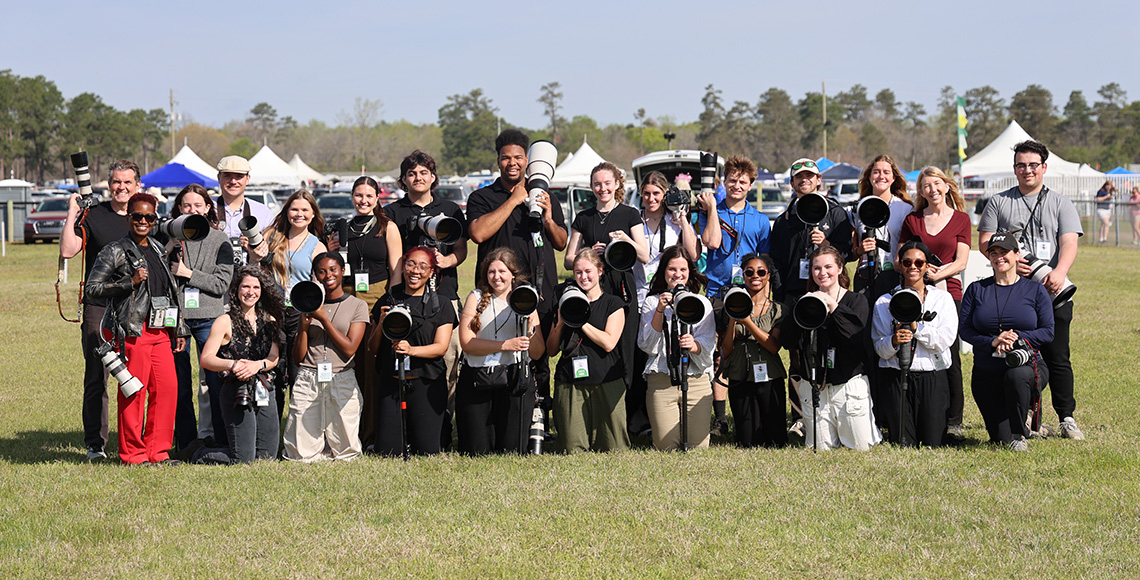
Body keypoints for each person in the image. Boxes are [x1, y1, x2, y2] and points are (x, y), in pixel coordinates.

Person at [978, 140, 1084, 440]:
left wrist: (1059, 272)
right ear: (1014, 169)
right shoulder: (998, 202)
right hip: (1017, 294)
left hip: (1053, 290)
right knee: (1021, 356)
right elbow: (985, 242)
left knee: (1058, 356)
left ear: (1044, 168)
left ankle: (1066, 418)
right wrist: (1012, 263)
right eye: (1021, 165)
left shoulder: (1061, 202)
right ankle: (1026, 418)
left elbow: (1069, 241)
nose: (1027, 170)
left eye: (1033, 165)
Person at [467, 129, 568, 427]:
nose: (513, 163)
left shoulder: (544, 193)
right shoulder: (483, 196)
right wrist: (514, 200)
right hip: (497, 293)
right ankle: (499, 419)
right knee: (499, 350)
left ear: (528, 160)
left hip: (540, 290)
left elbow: (561, 242)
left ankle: (538, 423)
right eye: (506, 158)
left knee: (539, 357)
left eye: (519, 158)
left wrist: (547, 216)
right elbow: (478, 233)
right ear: (498, 161)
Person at [84, 192, 189, 465]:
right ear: (129, 217)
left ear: (155, 220)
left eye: (149, 217)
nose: (143, 221)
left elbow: (170, 291)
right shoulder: (114, 250)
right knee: (134, 391)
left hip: (160, 332)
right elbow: (92, 288)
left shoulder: (156, 248)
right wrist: (127, 282)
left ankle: (158, 452)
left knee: (167, 389)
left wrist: (178, 328)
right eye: (137, 216)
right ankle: (133, 454)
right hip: (132, 331)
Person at [385, 151, 467, 444]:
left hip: (444, 297)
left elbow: (461, 250)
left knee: (447, 364)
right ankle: (411, 429)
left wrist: (447, 262)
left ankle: (443, 427)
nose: (417, 178)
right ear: (403, 179)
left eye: (423, 173)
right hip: (407, 299)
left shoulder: (450, 208)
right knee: (410, 363)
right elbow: (395, 260)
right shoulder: (393, 211)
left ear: (433, 176)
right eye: (411, 174)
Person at [769, 157, 854, 437]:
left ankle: (833, 408)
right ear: (792, 183)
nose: (804, 180)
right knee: (798, 355)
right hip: (796, 295)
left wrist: (826, 244)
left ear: (819, 180)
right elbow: (778, 262)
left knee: (832, 349)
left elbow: (848, 253)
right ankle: (800, 416)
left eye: (809, 176)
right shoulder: (784, 220)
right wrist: (781, 297)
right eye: (799, 177)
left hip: (830, 293)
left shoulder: (836, 213)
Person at [565, 161, 648, 438]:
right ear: (591, 187)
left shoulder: (629, 213)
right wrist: (589, 251)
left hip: (621, 289)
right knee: (594, 348)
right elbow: (568, 259)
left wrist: (625, 239)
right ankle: (593, 415)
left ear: (617, 185)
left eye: (607, 183)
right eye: (598, 184)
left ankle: (632, 421)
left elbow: (645, 255)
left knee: (627, 353)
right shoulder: (584, 217)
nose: (603, 188)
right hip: (593, 290)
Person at [59, 159, 136, 460]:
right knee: (97, 375)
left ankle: (133, 438)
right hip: (98, 306)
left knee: (137, 372)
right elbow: (68, 250)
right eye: (116, 182)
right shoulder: (94, 215)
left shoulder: (143, 215)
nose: (121, 187)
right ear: (109, 183)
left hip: (135, 306)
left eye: (127, 182)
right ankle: (96, 443)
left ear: (136, 185)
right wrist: (71, 214)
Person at [696, 155, 771, 435]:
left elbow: (765, 262)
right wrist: (714, 209)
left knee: (744, 351)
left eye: (742, 181)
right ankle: (720, 418)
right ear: (723, 182)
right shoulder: (710, 210)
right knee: (718, 354)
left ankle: (747, 411)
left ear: (751, 185)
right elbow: (710, 241)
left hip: (749, 292)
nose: (736, 186)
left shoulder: (760, 220)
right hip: (717, 290)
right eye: (731, 180)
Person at [959, 233, 1054, 451]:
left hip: (1027, 366)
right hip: (987, 371)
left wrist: (1017, 338)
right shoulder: (976, 289)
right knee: (1000, 439)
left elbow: (1048, 332)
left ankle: (1020, 432)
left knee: (1016, 375)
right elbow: (965, 330)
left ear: (1017, 255)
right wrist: (993, 341)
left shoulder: (1035, 290)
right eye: (994, 253)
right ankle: (1028, 424)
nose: (999, 257)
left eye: (1005, 252)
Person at [326, 175, 401, 449]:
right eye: (359, 195)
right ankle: (341, 432)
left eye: (369, 196)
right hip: (345, 298)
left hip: (376, 298)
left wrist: (388, 302)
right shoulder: (342, 226)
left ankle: (369, 435)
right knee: (346, 366)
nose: (363, 201)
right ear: (352, 196)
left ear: (377, 197)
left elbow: (397, 270)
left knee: (371, 372)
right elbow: (330, 266)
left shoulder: (387, 227)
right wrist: (331, 249)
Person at [782, 245, 880, 451]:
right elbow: (789, 342)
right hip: (816, 387)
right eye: (816, 268)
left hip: (848, 384)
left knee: (860, 447)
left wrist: (833, 307)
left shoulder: (856, 300)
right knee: (820, 447)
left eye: (828, 267)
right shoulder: (804, 302)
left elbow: (853, 337)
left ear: (840, 268)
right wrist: (800, 312)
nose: (822, 273)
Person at [899, 166, 971, 439]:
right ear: (921, 191)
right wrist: (918, 271)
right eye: (926, 185)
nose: (932, 189)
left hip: (949, 293)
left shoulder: (961, 219)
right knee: (916, 351)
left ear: (947, 185)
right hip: (915, 292)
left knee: (949, 355)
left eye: (937, 183)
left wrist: (938, 273)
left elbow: (962, 261)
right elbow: (901, 256)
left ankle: (954, 420)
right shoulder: (913, 220)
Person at [630, 170, 700, 439]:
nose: (651, 198)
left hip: (669, 296)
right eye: (646, 193)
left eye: (656, 193)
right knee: (640, 359)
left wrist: (683, 221)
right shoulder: (634, 219)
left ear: (665, 194)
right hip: (639, 297)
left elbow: (693, 254)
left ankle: (669, 414)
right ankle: (638, 422)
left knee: (667, 352)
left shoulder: (674, 221)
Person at [456, 247, 545, 455]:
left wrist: (531, 325)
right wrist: (505, 345)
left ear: (513, 274)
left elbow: (538, 352)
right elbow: (467, 343)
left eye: (502, 272)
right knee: (477, 452)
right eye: (491, 272)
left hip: (513, 378)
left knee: (511, 450)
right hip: (478, 376)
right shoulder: (476, 298)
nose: (496, 277)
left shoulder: (526, 298)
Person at [192, 266, 284, 464]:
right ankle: (199, 452)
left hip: (264, 388)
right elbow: (206, 358)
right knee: (243, 461)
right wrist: (234, 365)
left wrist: (257, 365)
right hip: (236, 390)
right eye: (245, 287)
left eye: (256, 287)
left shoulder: (270, 320)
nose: (251, 292)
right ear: (236, 290)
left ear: (262, 291)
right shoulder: (224, 321)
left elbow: (274, 357)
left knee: (267, 459)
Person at [370, 247, 457, 456]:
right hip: (391, 381)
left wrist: (411, 350)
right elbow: (372, 347)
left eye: (422, 266)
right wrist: (381, 322)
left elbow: (441, 347)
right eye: (410, 264)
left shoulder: (441, 305)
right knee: (387, 452)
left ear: (431, 272)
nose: (415, 271)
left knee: (426, 451)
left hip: (426, 381)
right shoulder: (387, 300)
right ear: (403, 267)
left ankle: (441, 426)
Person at [283, 252, 369, 462]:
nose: (328, 275)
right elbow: (298, 357)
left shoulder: (357, 306)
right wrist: (303, 328)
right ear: (315, 275)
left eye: (333, 269)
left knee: (346, 452)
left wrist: (323, 319)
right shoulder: (305, 303)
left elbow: (350, 349)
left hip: (341, 377)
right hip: (308, 376)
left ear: (343, 271)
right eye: (321, 271)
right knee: (300, 455)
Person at [167, 184, 234, 451]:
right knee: (179, 384)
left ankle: (221, 441)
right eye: (186, 205)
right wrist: (167, 247)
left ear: (208, 208)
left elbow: (221, 284)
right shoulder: (170, 237)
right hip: (176, 320)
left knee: (216, 383)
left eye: (198, 205)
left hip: (210, 319)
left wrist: (188, 273)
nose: (192, 210)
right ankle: (185, 442)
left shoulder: (221, 240)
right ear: (179, 209)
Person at [871, 241, 957, 447]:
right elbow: (879, 347)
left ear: (927, 266)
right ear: (899, 264)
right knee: (902, 442)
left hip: (932, 375)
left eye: (919, 262)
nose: (913, 267)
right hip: (895, 374)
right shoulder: (884, 301)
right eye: (907, 262)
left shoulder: (942, 299)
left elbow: (946, 339)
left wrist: (917, 328)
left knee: (933, 443)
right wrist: (893, 341)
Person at [546, 249, 628, 453]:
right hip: (570, 381)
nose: (584, 277)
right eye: (578, 272)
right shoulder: (563, 301)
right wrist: (561, 323)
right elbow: (551, 350)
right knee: (572, 449)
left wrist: (579, 321)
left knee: (614, 448)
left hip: (606, 380)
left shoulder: (613, 303)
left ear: (600, 271)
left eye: (588, 271)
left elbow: (609, 343)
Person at [257, 189, 328, 416]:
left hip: (300, 314)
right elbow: (256, 271)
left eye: (305, 210)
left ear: (313, 214)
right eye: (294, 209)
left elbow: (320, 287)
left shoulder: (317, 246)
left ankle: (298, 426)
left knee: (298, 372)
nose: (299, 214)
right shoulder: (270, 236)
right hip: (272, 312)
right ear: (286, 210)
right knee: (273, 369)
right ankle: (272, 428)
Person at [637, 246, 715, 451]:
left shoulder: (702, 303)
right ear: (663, 271)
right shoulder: (651, 302)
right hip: (662, 377)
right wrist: (660, 310)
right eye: (672, 269)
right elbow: (647, 346)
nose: (677, 275)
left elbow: (708, 345)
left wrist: (695, 346)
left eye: (683, 269)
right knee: (667, 447)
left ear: (690, 272)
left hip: (696, 378)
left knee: (698, 448)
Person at [717, 253, 787, 448]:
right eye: (749, 272)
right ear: (743, 276)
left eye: (761, 272)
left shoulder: (779, 310)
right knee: (746, 442)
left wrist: (747, 321)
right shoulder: (728, 307)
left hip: (770, 376)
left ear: (768, 276)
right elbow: (726, 349)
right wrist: (733, 318)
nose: (755, 276)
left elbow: (773, 346)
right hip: (740, 374)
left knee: (776, 441)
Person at [851, 154, 913, 296]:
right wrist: (860, 250)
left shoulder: (905, 209)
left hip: (895, 275)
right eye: (876, 172)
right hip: (865, 276)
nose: (881, 176)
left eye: (886, 172)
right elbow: (849, 254)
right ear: (869, 176)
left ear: (893, 178)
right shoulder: (856, 209)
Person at [214, 155, 274, 268]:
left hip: (249, 278)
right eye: (227, 176)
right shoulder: (206, 208)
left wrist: (254, 247)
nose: (233, 181)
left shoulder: (262, 213)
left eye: (239, 176)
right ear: (219, 178)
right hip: (212, 275)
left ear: (247, 179)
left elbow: (273, 252)